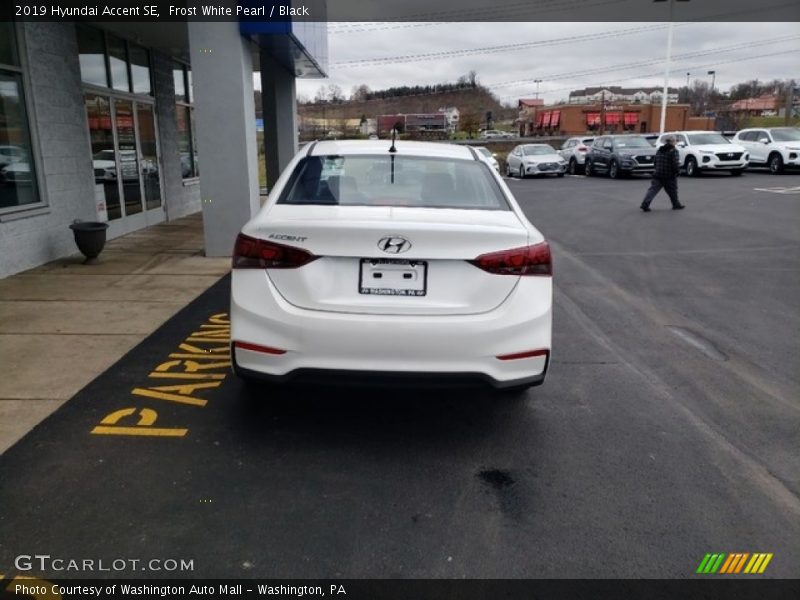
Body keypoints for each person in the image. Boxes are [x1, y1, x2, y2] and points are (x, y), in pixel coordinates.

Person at [640, 135, 685, 212]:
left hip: (658, 174)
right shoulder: (673, 151)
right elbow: (675, 164)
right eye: (675, 141)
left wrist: (657, 169)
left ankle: (645, 204)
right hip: (669, 175)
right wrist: (677, 172)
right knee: (673, 190)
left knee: (652, 190)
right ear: (672, 142)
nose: (676, 142)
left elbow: (655, 162)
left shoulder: (659, 150)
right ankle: (676, 204)